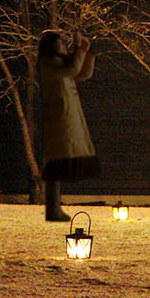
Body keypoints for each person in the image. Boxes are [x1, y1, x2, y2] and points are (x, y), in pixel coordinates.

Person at [37, 28, 98, 222]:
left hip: (67, 119)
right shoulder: (48, 64)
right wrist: (80, 49)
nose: (64, 47)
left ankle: (54, 208)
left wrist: (86, 52)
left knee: (60, 162)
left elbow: (83, 73)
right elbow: (73, 70)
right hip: (58, 120)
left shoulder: (59, 65)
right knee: (56, 164)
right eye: (61, 44)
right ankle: (52, 209)